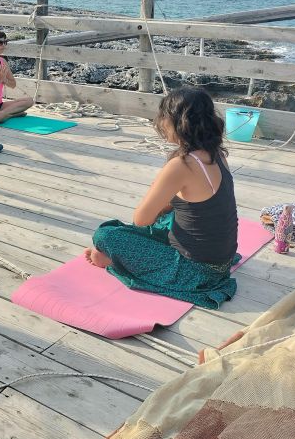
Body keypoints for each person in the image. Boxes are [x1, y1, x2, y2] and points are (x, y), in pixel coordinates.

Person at [84, 86, 240, 308]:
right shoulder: (218, 154)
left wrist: (158, 184)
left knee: (106, 235)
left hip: (196, 271)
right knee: (167, 217)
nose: (160, 122)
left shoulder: (182, 164)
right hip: (221, 261)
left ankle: (112, 261)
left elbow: (141, 219)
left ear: (178, 122)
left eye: (164, 116)